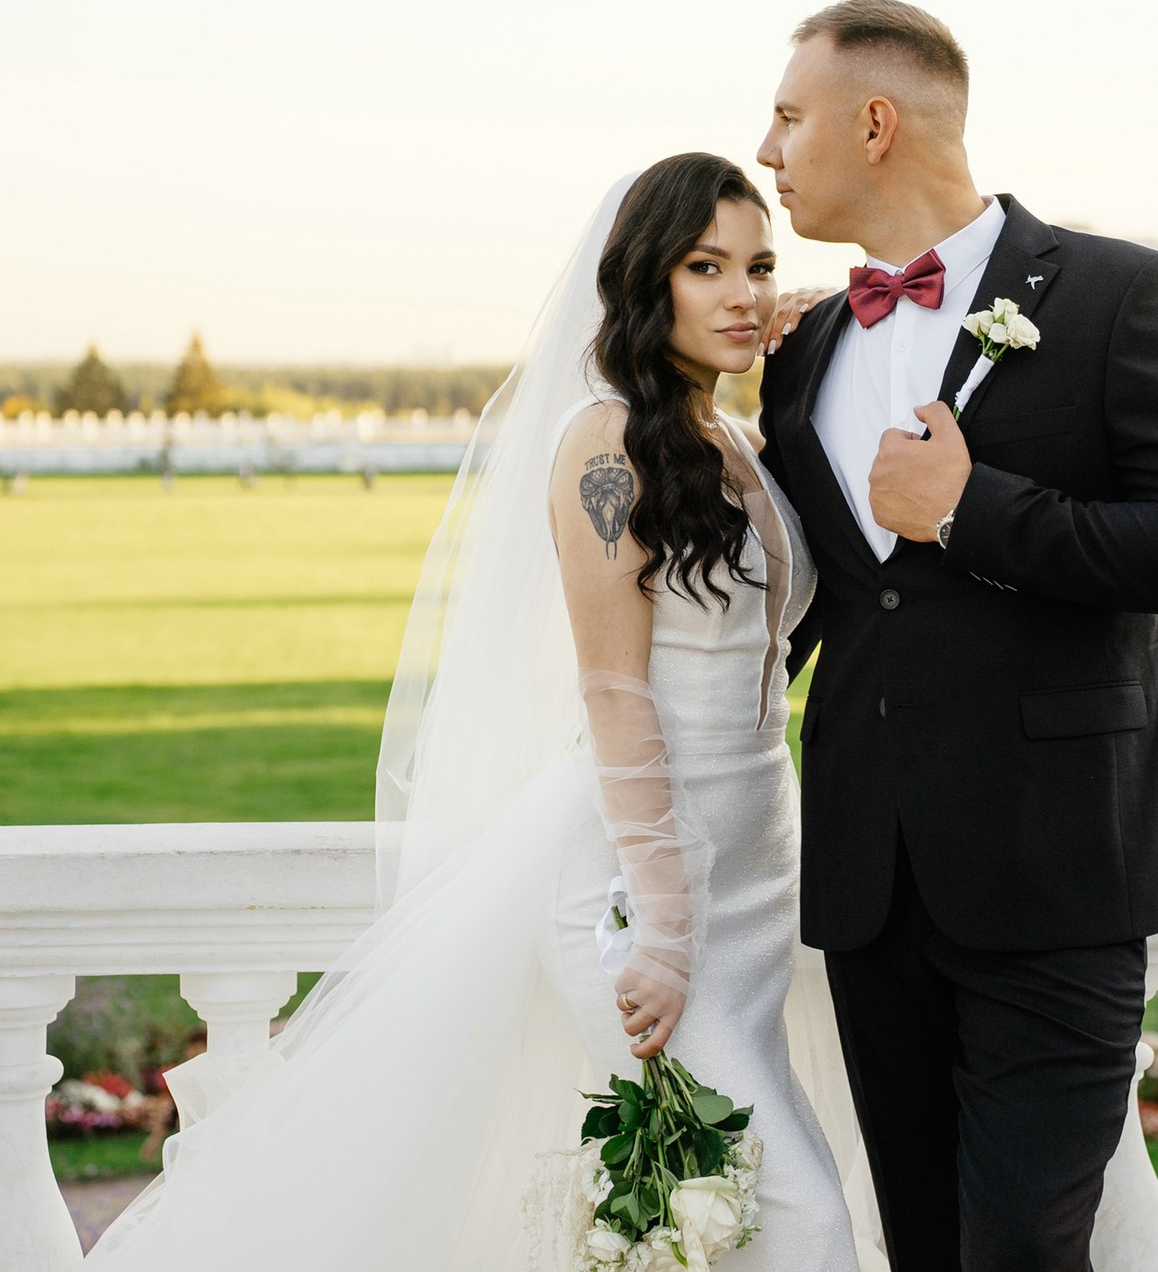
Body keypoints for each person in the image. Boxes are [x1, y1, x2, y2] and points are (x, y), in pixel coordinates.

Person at [85, 155, 866, 1268]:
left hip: (750, 882)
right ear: (644, 279)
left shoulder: (729, 441)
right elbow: (613, 688)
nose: (741, 292)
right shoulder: (605, 446)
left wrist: (801, 319)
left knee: (708, 1218)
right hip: (639, 888)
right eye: (705, 268)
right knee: (791, 1214)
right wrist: (662, 925)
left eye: (758, 265)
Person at [756, 0, 1158, 1269]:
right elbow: (821, 602)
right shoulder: (804, 347)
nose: (767, 152)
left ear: (874, 123)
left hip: (1059, 872)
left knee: (1025, 1252)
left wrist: (972, 511)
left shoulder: (1119, 293)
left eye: (786, 116)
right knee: (922, 1246)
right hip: (871, 885)